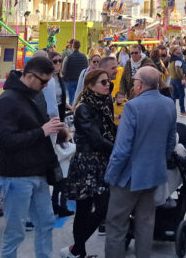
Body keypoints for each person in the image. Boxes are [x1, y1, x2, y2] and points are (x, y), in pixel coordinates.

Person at [0, 56, 65, 258]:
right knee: (15, 232)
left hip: (36, 172)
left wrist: (55, 131)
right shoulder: (8, 100)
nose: (45, 86)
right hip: (16, 175)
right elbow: (5, 140)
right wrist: (42, 131)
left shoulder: (28, 96)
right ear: (30, 76)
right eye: (43, 81)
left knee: (45, 222)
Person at [105, 66, 177, 258]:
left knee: (116, 226)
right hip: (153, 175)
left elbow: (122, 148)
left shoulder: (132, 107)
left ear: (140, 84)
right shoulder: (169, 104)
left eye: (135, 80)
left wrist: (110, 175)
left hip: (128, 177)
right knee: (145, 224)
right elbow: (171, 141)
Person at [62, 70, 116, 258]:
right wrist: (118, 149)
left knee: (93, 209)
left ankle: (77, 251)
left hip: (100, 160)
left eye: (108, 81)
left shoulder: (104, 102)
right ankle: (77, 249)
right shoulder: (84, 107)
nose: (108, 85)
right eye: (103, 82)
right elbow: (95, 139)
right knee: (92, 209)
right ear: (90, 86)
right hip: (87, 162)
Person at [52, 128, 75, 218]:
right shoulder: (70, 146)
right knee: (64, 192)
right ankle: (63, 209)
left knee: (56, 190)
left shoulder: (55, 146)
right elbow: (72, 151)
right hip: (65, 172)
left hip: (57, 172)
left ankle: (55, 207)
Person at [62, 39, 88, 104]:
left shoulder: (68, 57)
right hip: (81, 80)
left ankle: (72, 111)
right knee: (80, 98)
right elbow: (87, 68)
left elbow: (63, 69)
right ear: (80, 46)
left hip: (70, 80)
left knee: (71, 98)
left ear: (72, 46)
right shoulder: (84, 57)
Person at [167, 44, 186, 117]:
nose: (179, 51)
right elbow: (178, 70)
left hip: (172, 79)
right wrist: (182, 78)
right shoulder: (178, 59)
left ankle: (172, 112)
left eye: (179, 49)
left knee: (173, 96)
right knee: (181, 95)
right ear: (173, 51)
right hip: (178, 80)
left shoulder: (171, 59)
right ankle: (182, 111)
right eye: (177, 50)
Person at [48, 51, 68, 120]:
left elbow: (61, 96)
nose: (58, 63)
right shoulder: (46, 79)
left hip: (61, 111)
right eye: (55, 61)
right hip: (49, 115)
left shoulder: (60, 77)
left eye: (60, 60)